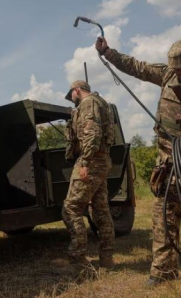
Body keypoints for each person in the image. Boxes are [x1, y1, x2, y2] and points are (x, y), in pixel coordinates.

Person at [95, 37, 181, 288]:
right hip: (167, 167)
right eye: (175, 68)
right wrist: (109, 53)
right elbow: (137, 67)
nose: (178, 73)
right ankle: (163, 270)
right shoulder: (168, 76)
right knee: (162, 220)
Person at [63, 80, 116, 274]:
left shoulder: (88, 103)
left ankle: (78, 261)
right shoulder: (103, 103)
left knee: (71, 208)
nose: (73, 100)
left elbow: (92, 133)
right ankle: (107, 259)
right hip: (101, 160)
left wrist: (84, 162)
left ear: (77, 90)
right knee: (100, 209)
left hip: (91, 161)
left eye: (72, 95)